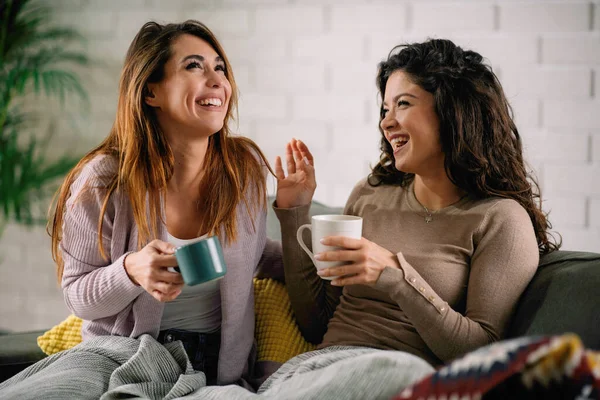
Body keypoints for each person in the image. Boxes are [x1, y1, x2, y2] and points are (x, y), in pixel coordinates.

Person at [0, 20, 282, 397]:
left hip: (214, 372)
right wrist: (131, 271)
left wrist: (299, 219)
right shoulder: (104, 179)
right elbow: (77, 294)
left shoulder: (242, 169)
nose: (217, 80)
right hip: (119, 354)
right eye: (194, 66)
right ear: (151, 92)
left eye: (220, 67)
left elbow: (254, 253)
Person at [272, 38, 559, 377]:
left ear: (453, 112)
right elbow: (316, 324)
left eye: (403, 104)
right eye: (385, 109)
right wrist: (295, 211)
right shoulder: (370, 195)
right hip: (319, 369)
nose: (386, 122)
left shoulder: (500, 219)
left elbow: (480, 350)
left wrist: (396, 275)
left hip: (403, 379)